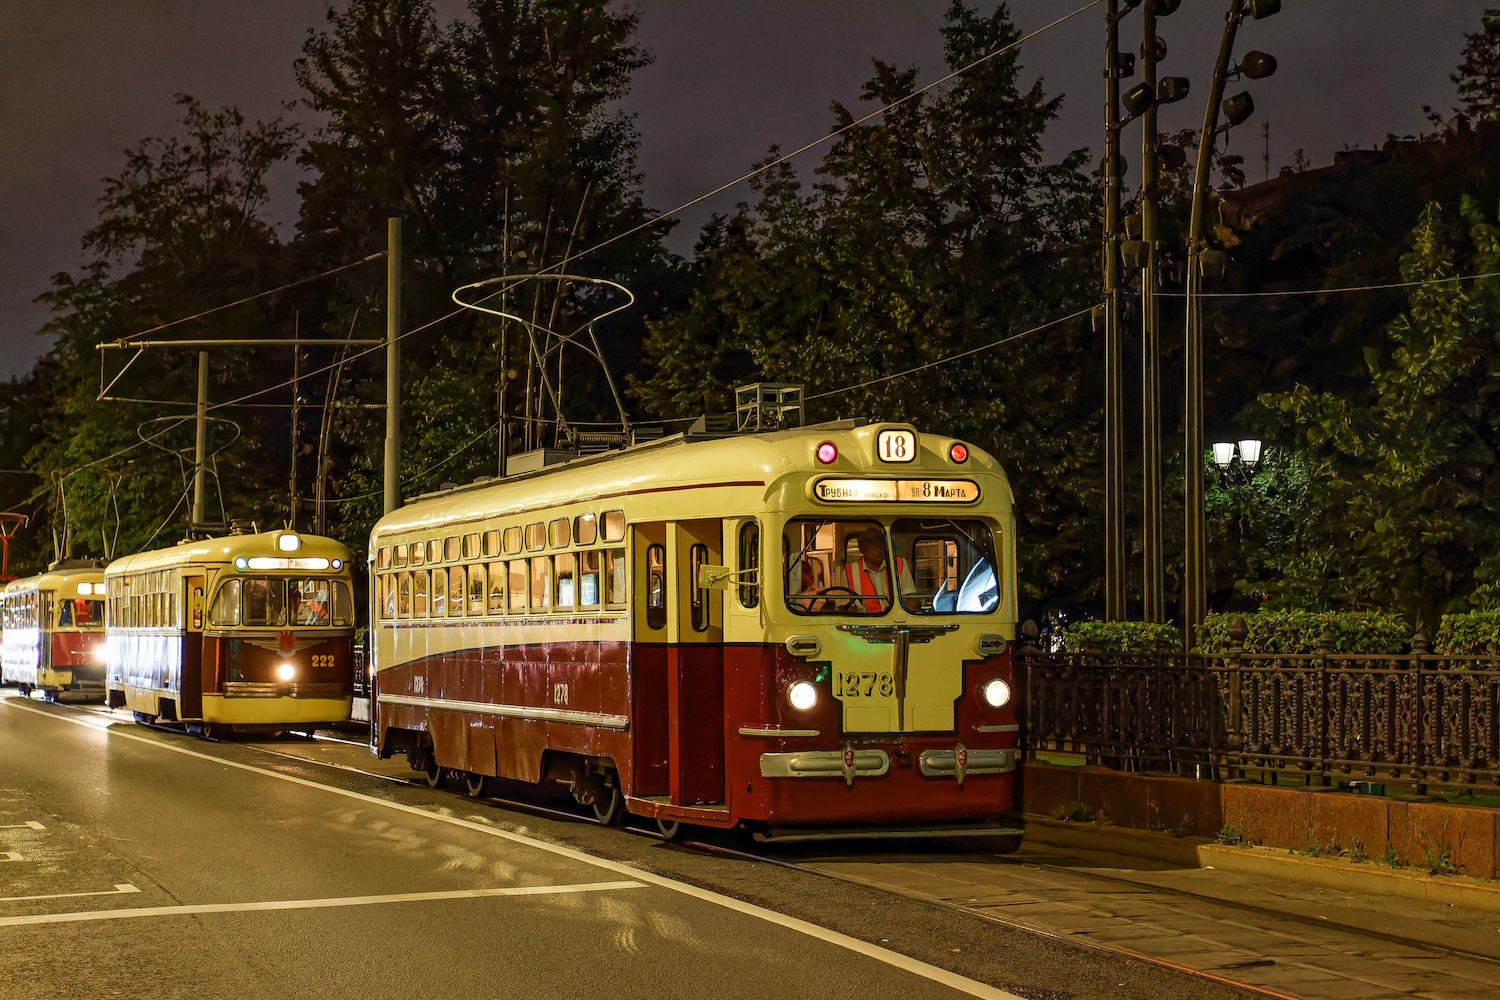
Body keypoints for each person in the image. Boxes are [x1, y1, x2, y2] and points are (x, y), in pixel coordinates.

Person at [842, 526, 914, 613]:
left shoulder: (900, 564)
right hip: (864, 624)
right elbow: (845, 608)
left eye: (880, 542)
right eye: (872, 542)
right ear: (861, 548)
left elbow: (912, 600)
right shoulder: (848, 571)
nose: (878, 545)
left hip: (895, 622)